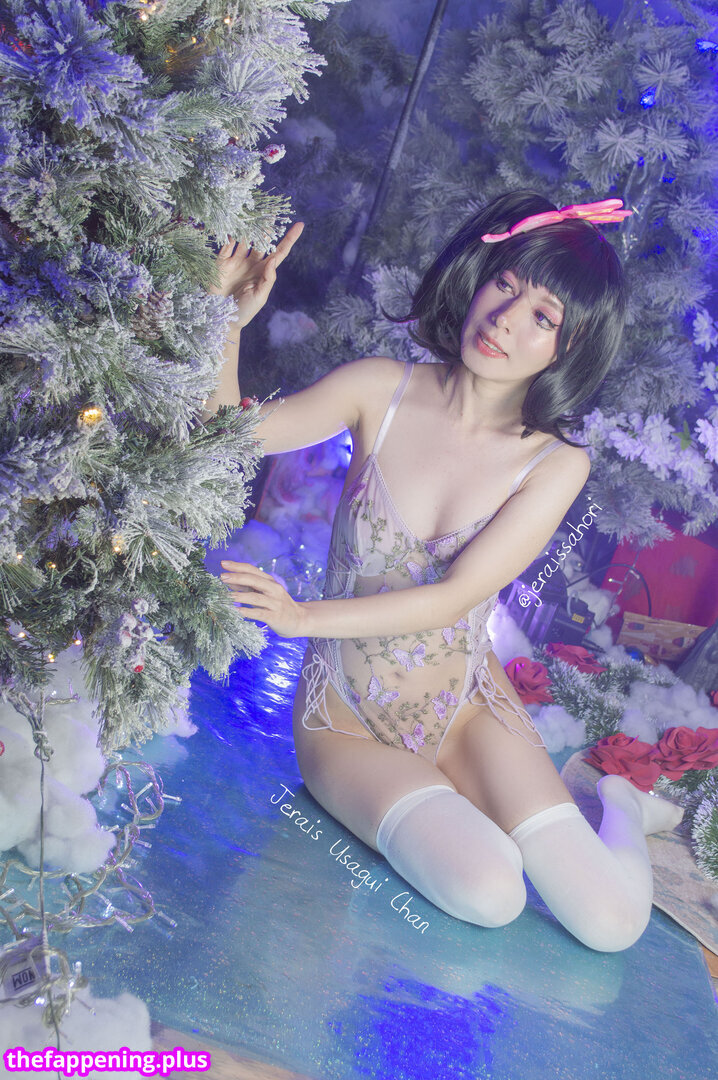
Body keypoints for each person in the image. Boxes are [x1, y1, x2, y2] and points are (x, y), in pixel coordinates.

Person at [207, 191, 683, 952]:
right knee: (490, 892)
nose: (505, 319)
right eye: (505, 285)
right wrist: (226, 320)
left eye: (543, 317)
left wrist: (300, 618)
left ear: (568, 346)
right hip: (345, 718)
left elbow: (454, 597)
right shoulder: (378, 389)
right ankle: (456, 809)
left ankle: (618, 805)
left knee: (611, 924)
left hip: (466, 709)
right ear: (478, 278)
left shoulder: (555, 462)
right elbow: (229, 434)